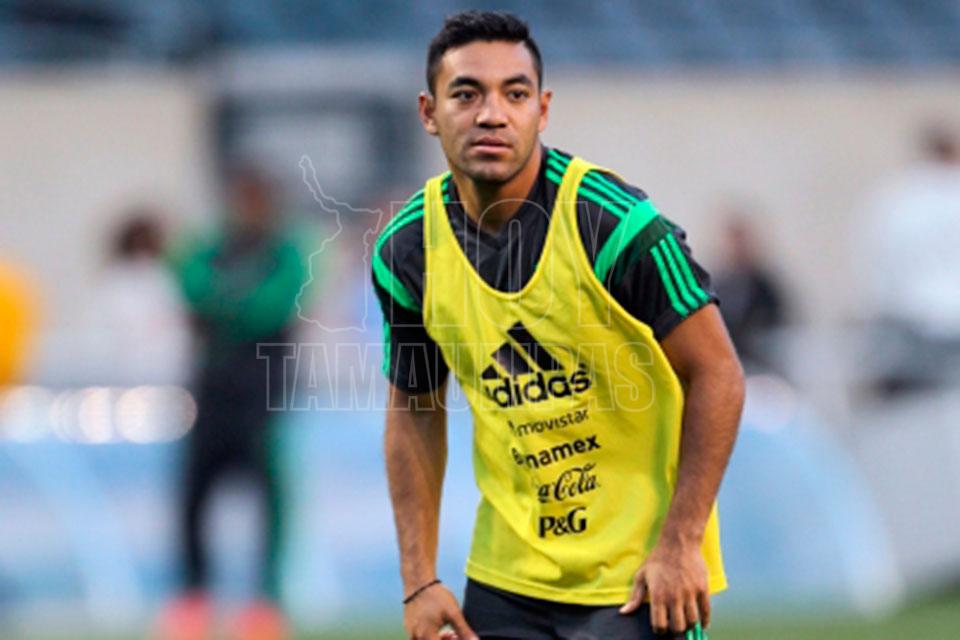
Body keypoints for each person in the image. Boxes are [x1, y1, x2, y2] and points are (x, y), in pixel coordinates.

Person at [373, 11, 744, 640]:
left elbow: (718, 372)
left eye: (515, 94)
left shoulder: (614, 224)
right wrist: (418, 579)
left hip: (639, 578)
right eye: (467, 94)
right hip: (505, 582)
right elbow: (414, 408)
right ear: (429, 112)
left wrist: (681, 544)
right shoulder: (407, 251)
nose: (492, 114)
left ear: (542, 111)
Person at [159, 168, 306, 640]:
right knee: (192, 497)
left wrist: (222, 302)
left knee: (269, 500)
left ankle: (265, 604)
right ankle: (193, 599)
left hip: (263, 400)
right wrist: (234, 299)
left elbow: (270, 306)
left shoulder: (286, 254)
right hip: (211, 396)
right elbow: (188, 281)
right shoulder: (211, 249)